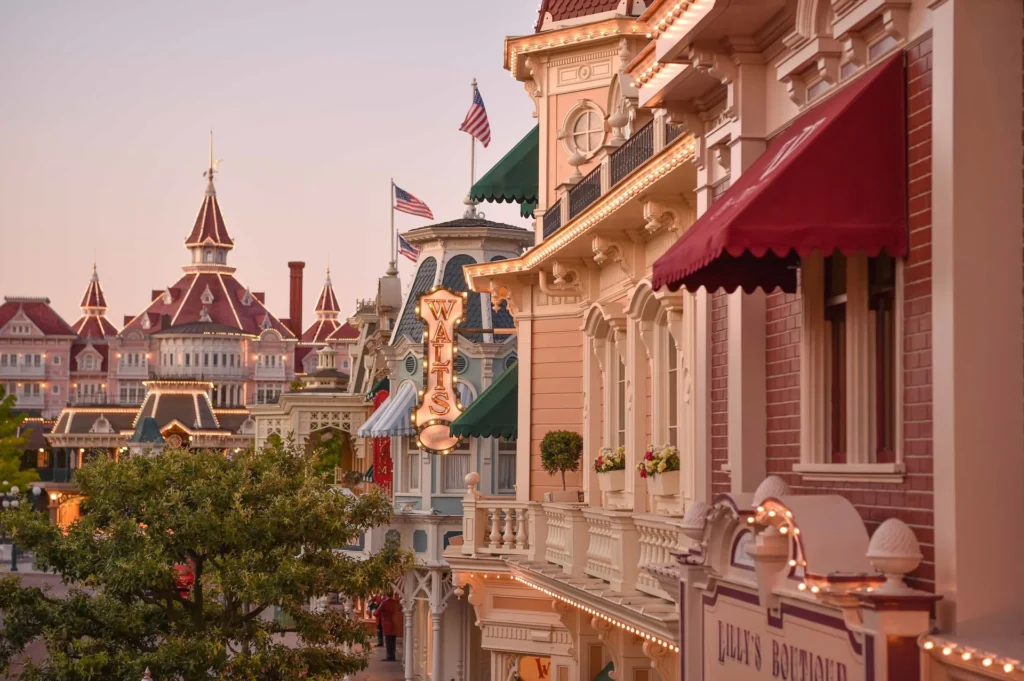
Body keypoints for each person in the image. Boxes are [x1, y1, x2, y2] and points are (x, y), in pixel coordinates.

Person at [375, 592, 403, 661]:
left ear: (386, 594)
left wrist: (375, 611)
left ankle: (389, 656)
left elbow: (376, 613)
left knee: (388, 640)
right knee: (393, 640)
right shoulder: (396, 602)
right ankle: (393, 656)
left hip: (387, 623)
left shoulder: (384, 603)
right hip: (395, 623)